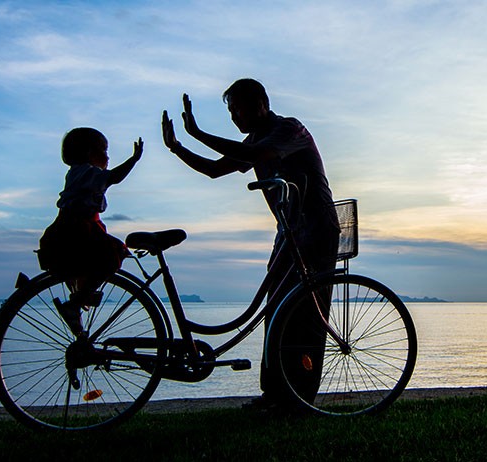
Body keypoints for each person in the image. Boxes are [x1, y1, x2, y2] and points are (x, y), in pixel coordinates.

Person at [162, 78, 339, 407]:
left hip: (316, 229)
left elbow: (254, 154)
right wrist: (178, 148)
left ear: (260, 104)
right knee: (275, 311)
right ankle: (273, 393)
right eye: (230, 112)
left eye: (237, 110)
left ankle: (299, 397)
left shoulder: (289, 130)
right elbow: (216, 170)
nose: (234, 118)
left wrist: (197, 133)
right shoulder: (256, 138)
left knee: (305, 315)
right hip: (288, 232)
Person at [38, 127, 143, 336]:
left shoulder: (79, 173)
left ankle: (81, 298)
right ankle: (77, 301)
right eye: (103, 151)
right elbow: (114, 177)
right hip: (77, 229)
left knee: (97, 261)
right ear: (88, 153)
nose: (108, 156)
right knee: (113, 255)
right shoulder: (86, 172)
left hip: (75, 228)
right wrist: (134, 160)